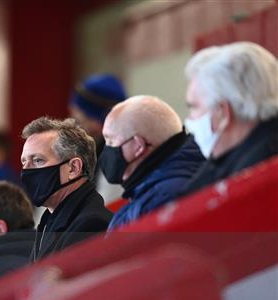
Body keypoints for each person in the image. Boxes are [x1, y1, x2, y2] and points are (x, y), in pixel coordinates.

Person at [182, 42, 278, 195]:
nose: (189, 118)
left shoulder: (255, 175)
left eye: (194, 107)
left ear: (223, 113)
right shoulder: (230, 160)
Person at [99, 96, 204, 230]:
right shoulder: (152, 191)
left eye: (111, 141)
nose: (106, 149)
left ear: (138, 146)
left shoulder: (159, 201)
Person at [20, 117, 112, 262]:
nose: (26, 172)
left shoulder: (90, 224)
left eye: (38, 160)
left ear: (73, 168)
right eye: (24, 162)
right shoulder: (50, 218)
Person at [69, 74, 127, 204]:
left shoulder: (117, 158)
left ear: (97, 121)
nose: (74, 123)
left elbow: (106, 208)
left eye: (79, 119)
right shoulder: (89, 150)